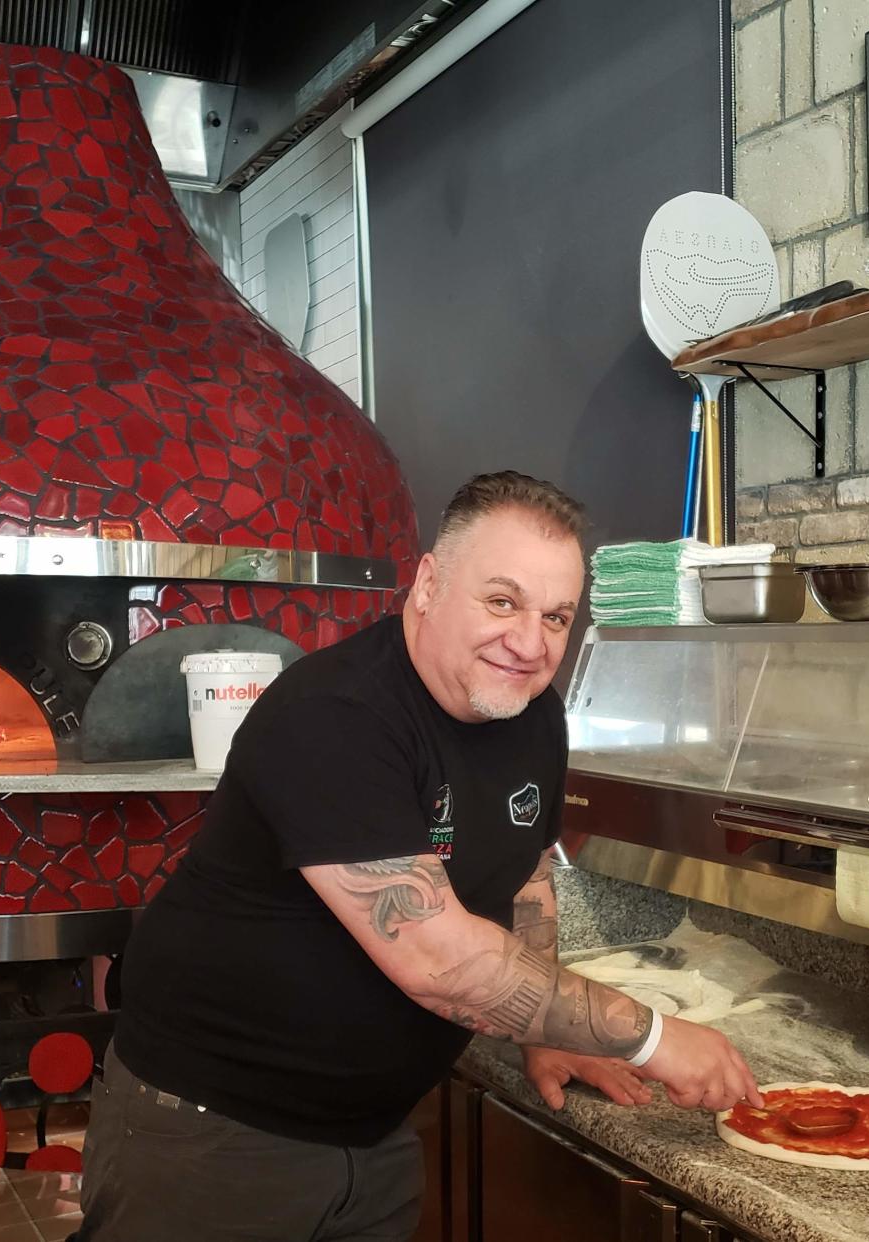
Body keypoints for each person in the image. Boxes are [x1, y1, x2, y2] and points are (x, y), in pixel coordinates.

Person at [77, 471, 762, 1242]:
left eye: (558, 616)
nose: (531, 642)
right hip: (213, 1133)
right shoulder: (337, 715)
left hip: (375, 1132)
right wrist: (657, 1039)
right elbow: (440, 960)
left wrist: (550, 1030)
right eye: (501, 601)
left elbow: (527, 875)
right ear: (430, 583)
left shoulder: (530, 715)